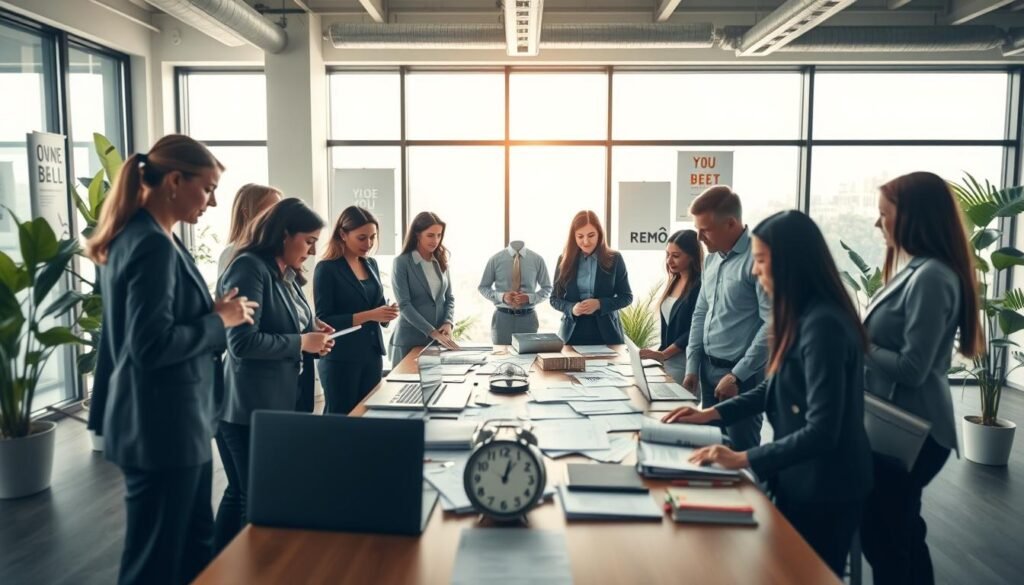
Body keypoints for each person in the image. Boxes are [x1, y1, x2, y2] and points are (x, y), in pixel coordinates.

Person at [662, 210, 873, 578]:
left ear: (791, 263)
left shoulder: (824, 325)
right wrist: (710, 414)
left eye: (760, 260)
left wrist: (741, 457)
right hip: (798, 476)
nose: (755, 271)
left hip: (825, 486)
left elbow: (823, 432)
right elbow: (772, 390)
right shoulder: (801, 315)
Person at [86, 134, 256, 585]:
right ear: (175, 181)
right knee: (157, 560)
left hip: (175, 425)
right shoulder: (152, 245)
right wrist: (221, 321)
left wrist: (212, 313)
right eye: (208, 187)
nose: (214, 202)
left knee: (191, 550)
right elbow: (148, 346)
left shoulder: (150, 238)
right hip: (163, 427)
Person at [860, 171, 983, 585]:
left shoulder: (932, 276)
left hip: (914, 432)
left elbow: (914, 368)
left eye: (884, 214)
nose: (878, 224)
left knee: (886, 539)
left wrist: (861, 345)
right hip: (900, 425)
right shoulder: (915, 269)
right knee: (902, 534)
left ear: (912, 216)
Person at [213, 198, 335, 550]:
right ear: (284, 234)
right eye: (309, 240)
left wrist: (314, 328)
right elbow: (242, 342)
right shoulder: (249, 268)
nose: (312, 251)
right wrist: (301, 342)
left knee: (243, 494)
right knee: (254, 500)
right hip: (248, 408)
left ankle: (212, 568)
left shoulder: (286, 274)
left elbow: (292, 320)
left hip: (278, 403)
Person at [683, 186, 771, 452]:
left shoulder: (758, 259)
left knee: (738, 453)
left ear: (731, 223)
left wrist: (737, 375)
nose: (698, 237)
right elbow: (700, 313)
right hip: (708, 373)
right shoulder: (711, 261)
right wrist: (691, 366)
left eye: (705, 230)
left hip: (740, 378)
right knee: (710, 451)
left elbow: (773, 324)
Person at [314, 205, 398, 414]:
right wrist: (371, 315)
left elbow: (376, 305)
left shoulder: (371, 264)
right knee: (340, 418)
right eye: (362, 238)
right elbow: (325, 319)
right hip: (340, 358)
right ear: (343, 234)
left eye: (372, 237)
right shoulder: (327, 269)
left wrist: (386, 313)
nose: (368, 244)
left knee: (367, 416)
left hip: (371, 354)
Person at [549, 211, 633, 346]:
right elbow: (554, 299)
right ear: (573, 237)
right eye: (580, 236)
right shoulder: (564, 260)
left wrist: (600, 303)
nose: (586, 242)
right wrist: (571, 308)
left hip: (607, 333)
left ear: (599, 234)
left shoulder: (615, 259)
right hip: (572, 333)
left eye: (591, 235)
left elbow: (627, 297)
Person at [390, 211, 459, 366]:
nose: (435, 240)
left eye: (439, 235)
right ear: (417, 234)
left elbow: (449, 298)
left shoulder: (441, 261)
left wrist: (448, 322)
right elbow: (404, 305)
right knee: (404, 387)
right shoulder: (401, 263)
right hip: (409, 340)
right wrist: (432, 332)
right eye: (430, 235)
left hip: (438, 341)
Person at [639, 230, 703, 384]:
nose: (669, 261)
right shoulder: (674, 281)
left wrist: (664, 354)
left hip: (685, 363)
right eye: (667, 254)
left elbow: (694, 330)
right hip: (668, 360)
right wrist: (657, 354)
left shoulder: (700, 286)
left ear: (692, 256)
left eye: (676, 256)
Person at [477, 239, 553, 344]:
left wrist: (529, 298)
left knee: (528, 359)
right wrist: (502, 297)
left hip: (528, 320)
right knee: (500, 357)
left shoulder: (537, 259)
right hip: (502, 320)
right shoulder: (495, 259)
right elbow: (483, 287)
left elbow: (547, 288)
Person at [216, 183, 282, 276]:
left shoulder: (276, 251)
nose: (278, 216)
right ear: (247, 213)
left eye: (279, 210)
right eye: (270, 211)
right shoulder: (232, 253)